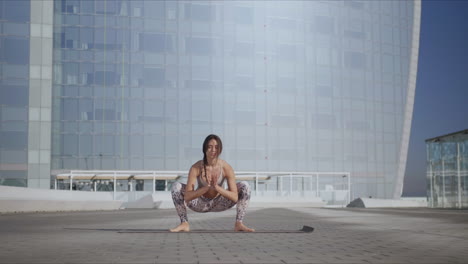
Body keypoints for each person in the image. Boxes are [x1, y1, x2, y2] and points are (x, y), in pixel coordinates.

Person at [169, 134, 255, 232]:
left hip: (220, 202)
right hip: (200, 203)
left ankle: (239, 223)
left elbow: (235, 197)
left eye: (216, 147)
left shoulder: (226, 167)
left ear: (220, 150)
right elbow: (188, 197)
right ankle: (184, 223)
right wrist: (205, 188)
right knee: (176, 186)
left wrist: (217, 188)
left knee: (245, 185)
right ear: (204, 149)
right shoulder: (196, 167)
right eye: (210, 147)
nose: (213, 150)